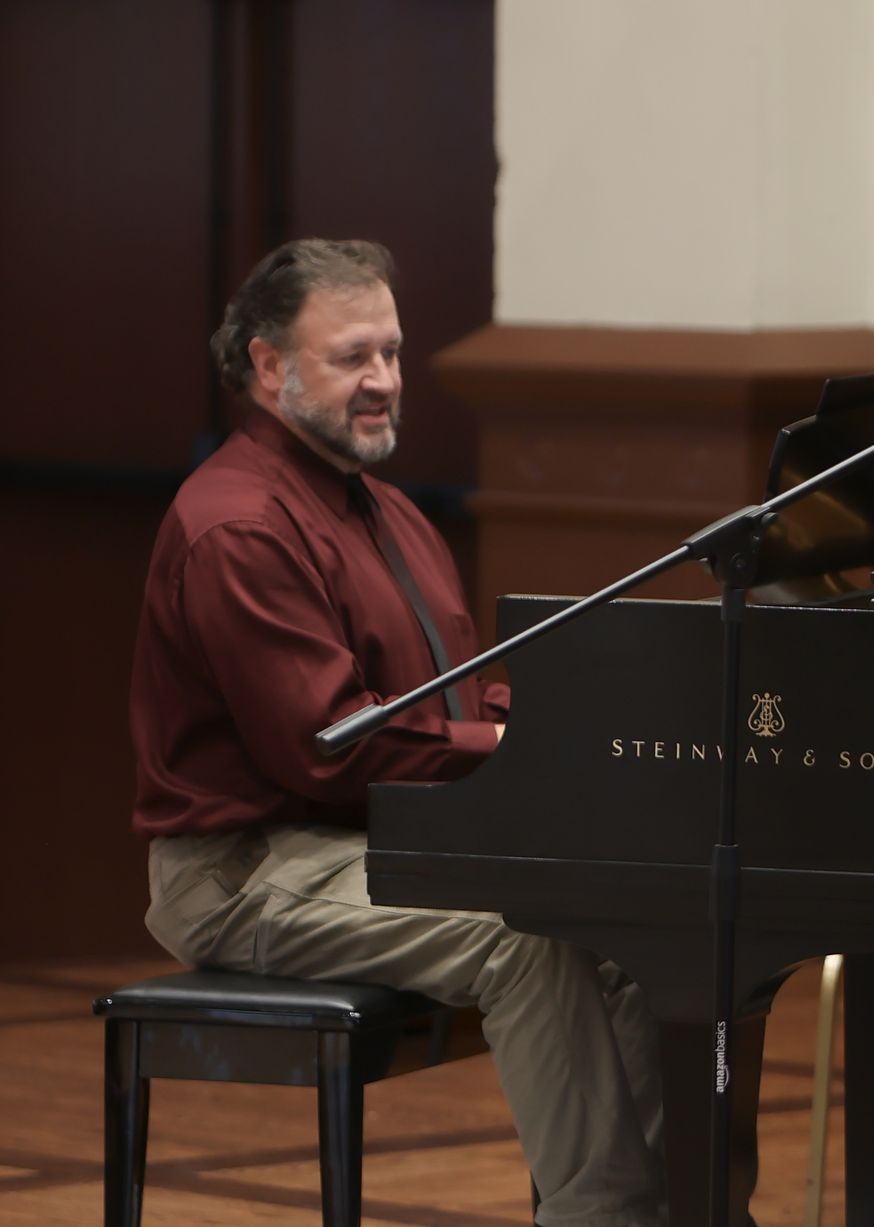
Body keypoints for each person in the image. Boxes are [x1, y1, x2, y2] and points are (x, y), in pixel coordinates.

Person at [131, 238, 666, 1227]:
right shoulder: (239, 526)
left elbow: (440, 709)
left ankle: (678, 1205)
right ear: (266, 365)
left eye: (392, 353)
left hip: (366, 839)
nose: (383, 382)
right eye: (352, 358)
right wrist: (516, 752)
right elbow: (333, 746)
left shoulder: (382, 508)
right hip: (246, 869)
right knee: (525, 940)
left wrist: (573, 721)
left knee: (633, 923)